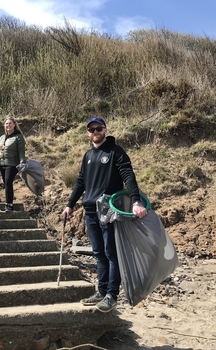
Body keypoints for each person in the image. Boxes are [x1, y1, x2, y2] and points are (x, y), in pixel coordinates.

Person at [62, 116, 148, 313]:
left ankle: (111, 295)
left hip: (108, 211)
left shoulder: (116, 152)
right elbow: (81, 182)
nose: (95, 132)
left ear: (105, 129)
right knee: (99, 254)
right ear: (87, 133)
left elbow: (128, 176)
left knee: (111, 254)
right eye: (91, 129)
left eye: (98, 128)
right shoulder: (87, 155)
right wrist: (70, 204)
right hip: (90, 211)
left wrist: (136, 201)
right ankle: (101, 291)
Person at [0, 117, 26, 212]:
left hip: (12, 164)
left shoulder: (18, 137)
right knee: (6, 184)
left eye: (10, 123)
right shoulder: (2, 138)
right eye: (6, 124)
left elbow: (21, 151)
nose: (8, 125)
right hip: (2, 164)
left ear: (14, 125)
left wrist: (22, 161)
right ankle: (8, 204)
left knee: (8, 182)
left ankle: (9, 205)